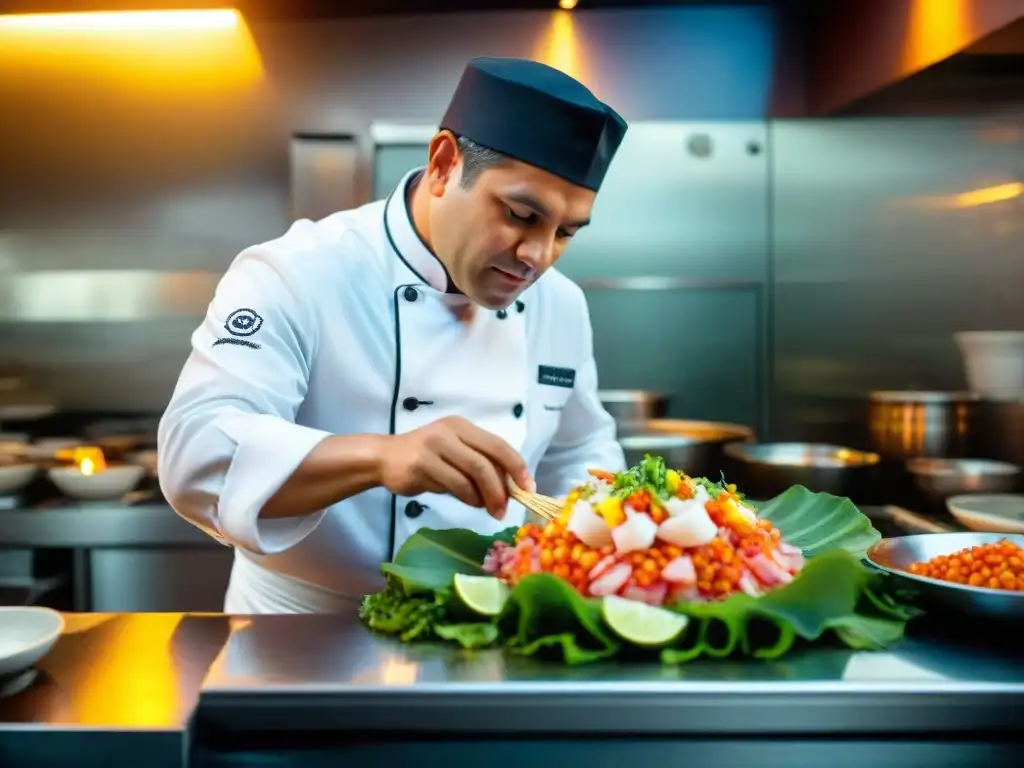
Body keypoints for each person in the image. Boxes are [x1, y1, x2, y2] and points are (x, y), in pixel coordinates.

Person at [157, 56, 629, 613]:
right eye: (521, 215)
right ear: (444, 163)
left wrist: (601, 529)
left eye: (565, 233)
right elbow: (196, 453)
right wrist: (379, 457)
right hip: (299, 633)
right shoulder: (299, 272)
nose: (538, 257)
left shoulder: (561, 306)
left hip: (484, 627)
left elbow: (579, 449)